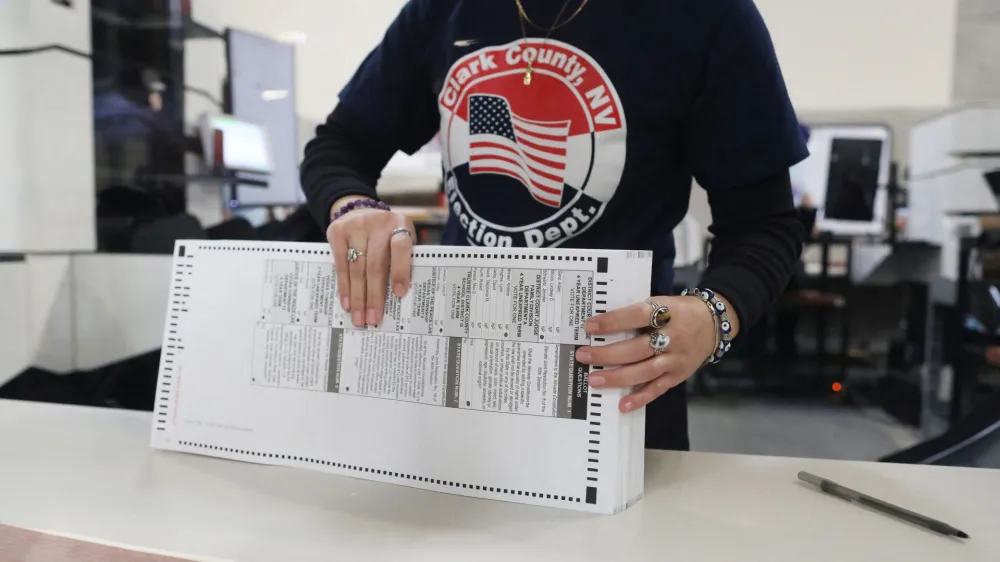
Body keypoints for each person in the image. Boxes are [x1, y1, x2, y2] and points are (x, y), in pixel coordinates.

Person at [301, 0, 807, 451]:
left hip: (618, 387)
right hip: (458, 380)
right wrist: (352, 205)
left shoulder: (707, 15)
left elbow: (765, 224)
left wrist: (713, 315)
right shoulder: (441, 11)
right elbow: (339, 146)